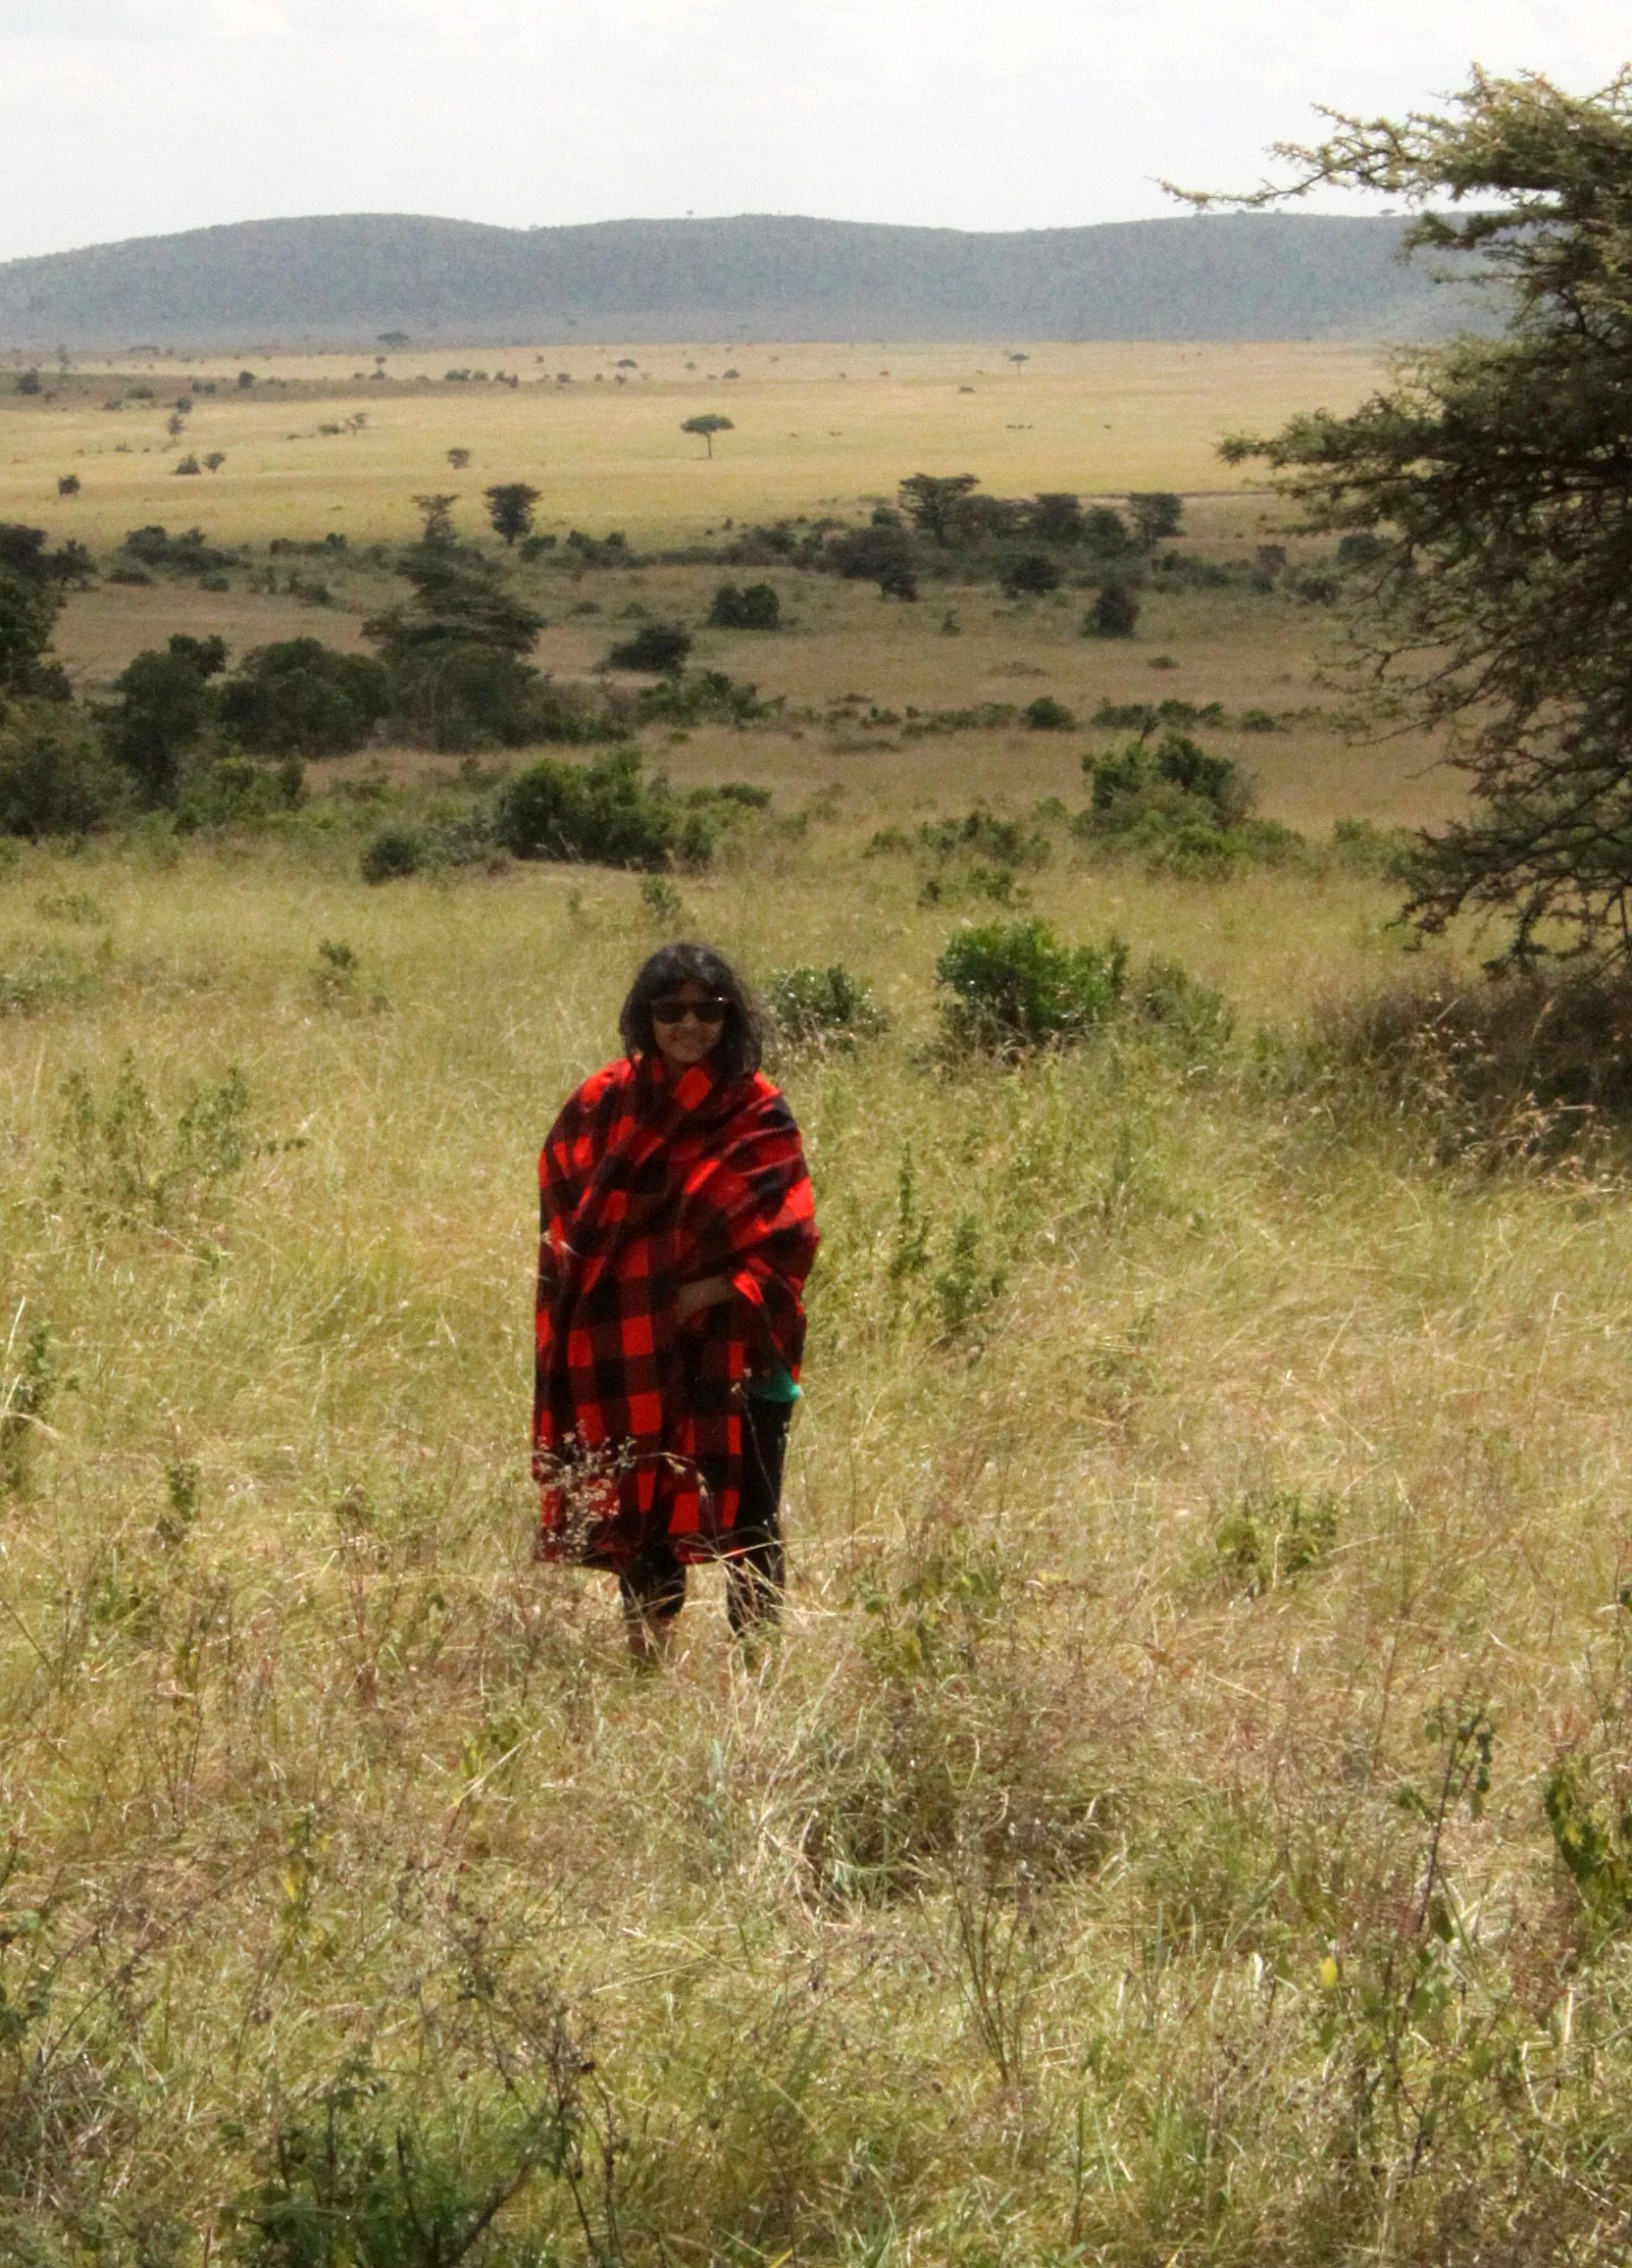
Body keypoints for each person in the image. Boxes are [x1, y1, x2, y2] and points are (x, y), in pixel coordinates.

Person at [533, 943, 819, 1661]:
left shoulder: (756, 1111)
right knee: (647, 1512)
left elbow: (790, 1239)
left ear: (730, 1017)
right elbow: (564, 1216)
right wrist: (614, 1298)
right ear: (645, 1017)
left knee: (751, 1521)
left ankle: (759, 1680)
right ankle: (645, 1668)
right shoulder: (603, 1103)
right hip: (632, 1353)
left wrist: (699, 1293)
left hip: (742, 1355)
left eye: (707, 1010)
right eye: (671, 1011)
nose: (690, 1026)